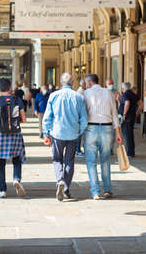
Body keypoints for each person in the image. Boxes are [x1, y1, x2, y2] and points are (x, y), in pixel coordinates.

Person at [42, 73, 88, 201]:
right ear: (72, 83)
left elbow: (47, 117)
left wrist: (46, 133)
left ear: (61, 83)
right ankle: (66, 189)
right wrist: (79, 131)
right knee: (69, 161)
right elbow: (84, 118)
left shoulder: (53, 96)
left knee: (57, 159)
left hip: (57, 133)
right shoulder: (79, 97)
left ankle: (60, 180)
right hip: (73, 134)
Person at [84, 74, 122, 200]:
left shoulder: (86, 93)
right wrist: (118, 133)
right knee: (105, 160)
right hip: (107, 128)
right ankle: (107, 190)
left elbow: (84, 113)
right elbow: (115, 114)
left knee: (91, 161)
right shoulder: (109, 92)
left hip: (91, 129)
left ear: (89, 83)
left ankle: (95, 192)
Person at [0, 79, 27, 198]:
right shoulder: (17, 100)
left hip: (1, 133)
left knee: (1, 162)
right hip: (15, 134)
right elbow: (24, 119)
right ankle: (16, 179)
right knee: (17, 159)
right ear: (10, 87)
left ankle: (2, 190)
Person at [118, 82, 143, 157]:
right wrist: (136, 114)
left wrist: (124, 114)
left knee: (127, 135)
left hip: (126, 118)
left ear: (123, 88)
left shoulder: (125, 94)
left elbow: (127, 103)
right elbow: (141, 104)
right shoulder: (133, 94)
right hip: (132, 117)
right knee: (130, 135)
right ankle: (131, 152)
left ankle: (129, 153)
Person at [75, 79, 86, 157]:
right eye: (85, 84)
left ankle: (78, 149)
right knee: (80, 135)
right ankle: (77, 150)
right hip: (80, 117)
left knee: (81, 134)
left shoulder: (82, 91)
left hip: (80, 116)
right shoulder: (80, 92)